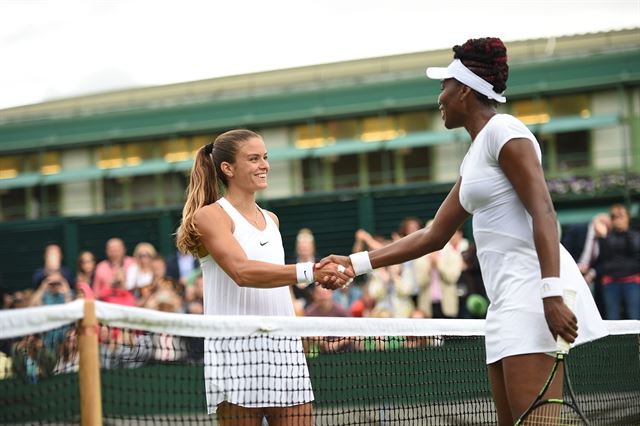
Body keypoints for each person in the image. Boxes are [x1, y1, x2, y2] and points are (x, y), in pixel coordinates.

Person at [317, 37, 607, 425]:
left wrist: (551, 293)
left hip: (533, 296)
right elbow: (433, 235)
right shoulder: (475, 155)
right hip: (503, 306)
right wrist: (355, 263)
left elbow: (545, 212)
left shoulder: (506, 131)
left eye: (445, 86)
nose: (439, 96)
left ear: (465, 90)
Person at [175, 129, 351, 424]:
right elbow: (242, 272)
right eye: (253, 158)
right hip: (235, 352)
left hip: (284, 349)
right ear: (227, 168)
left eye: (265, 157)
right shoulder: (210, 216)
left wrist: (323, 276)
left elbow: (277, 283)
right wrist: (310, 270)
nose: (264, 165)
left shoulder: (272, 220)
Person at [595, 204, 640, 319]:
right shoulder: (606, 236)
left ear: (628, 218)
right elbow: (603, 257)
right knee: (612, 317)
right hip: (610, 282)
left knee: (634, 317)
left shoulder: (635, 235)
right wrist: (604, 236)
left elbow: (634, 251)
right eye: (614, 217)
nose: (618, 220)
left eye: (621, 216)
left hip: (632, 281)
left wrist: (625, 231)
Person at [93, 238, 135, 306]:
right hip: (107, 306)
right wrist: (110, 286)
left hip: (130, 306)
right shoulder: (101, 267)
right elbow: (96, 294)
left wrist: (123, 282)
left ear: (124, 250)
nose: (115, 254)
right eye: (112, 251)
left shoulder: (132, 264)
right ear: (107, 252)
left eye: (117, 250)